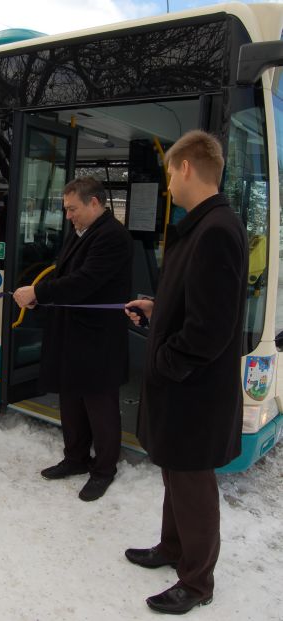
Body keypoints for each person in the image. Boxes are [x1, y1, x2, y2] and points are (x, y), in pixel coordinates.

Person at [124, 130, 248, 615]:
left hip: (193, 391)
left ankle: (197, 582)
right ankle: (172, 548)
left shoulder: (215, 229)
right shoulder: (204, 225)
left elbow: (210, 329)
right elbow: (199, 304)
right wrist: (159, 308)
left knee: (193, 483)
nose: (169, 183)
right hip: (187, 387)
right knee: (176, 475)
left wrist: (163, 361)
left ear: (187, 168)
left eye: (171, 172)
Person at [13, 177, 133, 501]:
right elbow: (62, 274)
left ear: (94, 203)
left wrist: (38, 292)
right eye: (66, 209)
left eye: (72, 209)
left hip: (98, 341)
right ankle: (75, 458)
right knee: (71, 401)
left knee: (100, 407)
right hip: (71, 335)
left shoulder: (113, 237)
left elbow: (84, 282)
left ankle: (104, 469)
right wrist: (42, 297)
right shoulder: (81, 231)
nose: (68, 216)